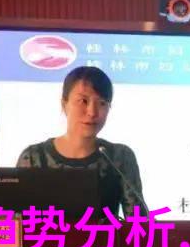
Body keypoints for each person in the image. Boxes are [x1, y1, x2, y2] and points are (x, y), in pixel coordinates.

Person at [16, 66, 148, 218]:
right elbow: (16, 224)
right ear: (64, 104)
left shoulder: (120, 157)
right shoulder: (33, 157)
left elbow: (138, 222)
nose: (92, 112)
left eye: (102, 103)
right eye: (83, 101)